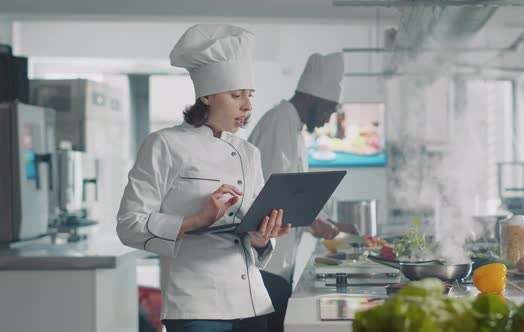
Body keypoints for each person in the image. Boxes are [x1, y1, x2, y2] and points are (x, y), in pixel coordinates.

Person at [116, 24, 291, 332]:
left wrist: (262, 238)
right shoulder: (165, 145)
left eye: (249, 95)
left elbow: (251, 235)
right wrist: (196, 220)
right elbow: (129, 225)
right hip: (196, 307)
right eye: (236, 95)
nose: (248, 106)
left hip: (250, 302)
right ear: (207, 96)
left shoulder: (249, 153)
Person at [248, 52, 359, 332]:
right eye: (328, 110)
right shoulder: (279, 122)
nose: (327, 119)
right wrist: (317, 223)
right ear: (313, 99)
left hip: (278, 263)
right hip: (265, 265)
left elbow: (297, 191)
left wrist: (330, 224)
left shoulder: (293, 128)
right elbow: (276, 196)